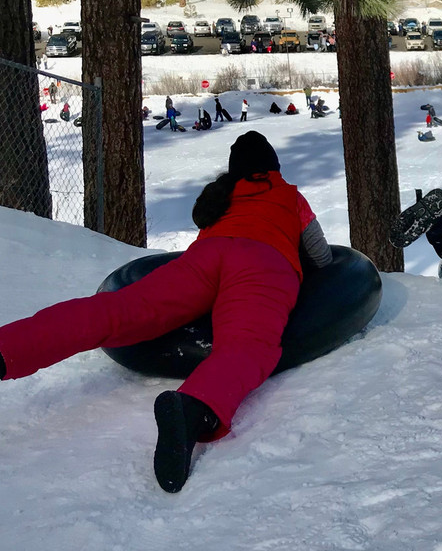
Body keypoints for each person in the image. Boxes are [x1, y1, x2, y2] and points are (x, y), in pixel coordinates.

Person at [0, 133, 332, 492]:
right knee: (247, 343)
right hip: (263, 264)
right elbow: (322, 257)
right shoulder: (290, 196)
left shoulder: (222, 196)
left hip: (204, 259)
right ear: (274, 167)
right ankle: (194, 407)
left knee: (121, 309)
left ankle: (9, 347)